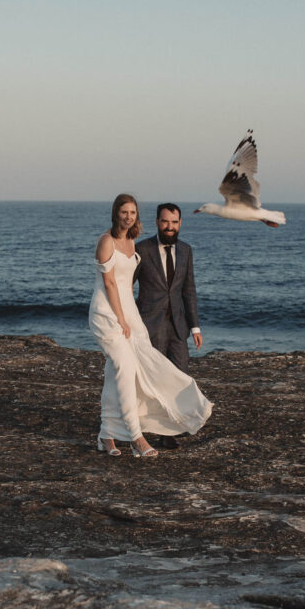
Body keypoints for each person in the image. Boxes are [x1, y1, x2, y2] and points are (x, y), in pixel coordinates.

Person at [89, 194, 212, 458]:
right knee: (127, 369)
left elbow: (188, 289)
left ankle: (107, 434)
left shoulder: (134, 243)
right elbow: (112, 283)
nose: (128, 216)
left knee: (117, 371)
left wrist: (195, 326)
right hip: (114, 314)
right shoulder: (115, 243)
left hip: (146, 317)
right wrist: (121, 318)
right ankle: (136, 436)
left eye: (132, 212)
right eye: (124, 212)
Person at [134, 203, 203, 450]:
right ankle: (158, 431)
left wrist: (195, 327)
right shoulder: (142, 249)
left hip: (178, 325)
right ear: (157, 222)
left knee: (180, 376)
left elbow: (189, 290)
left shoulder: (186, 250)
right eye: (165, 222)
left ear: (180, 223)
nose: (169, 227)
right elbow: (126, 284)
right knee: (156, 379)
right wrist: (128, 320)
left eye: (174, 222)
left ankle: (172, 428)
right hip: (150, 324)